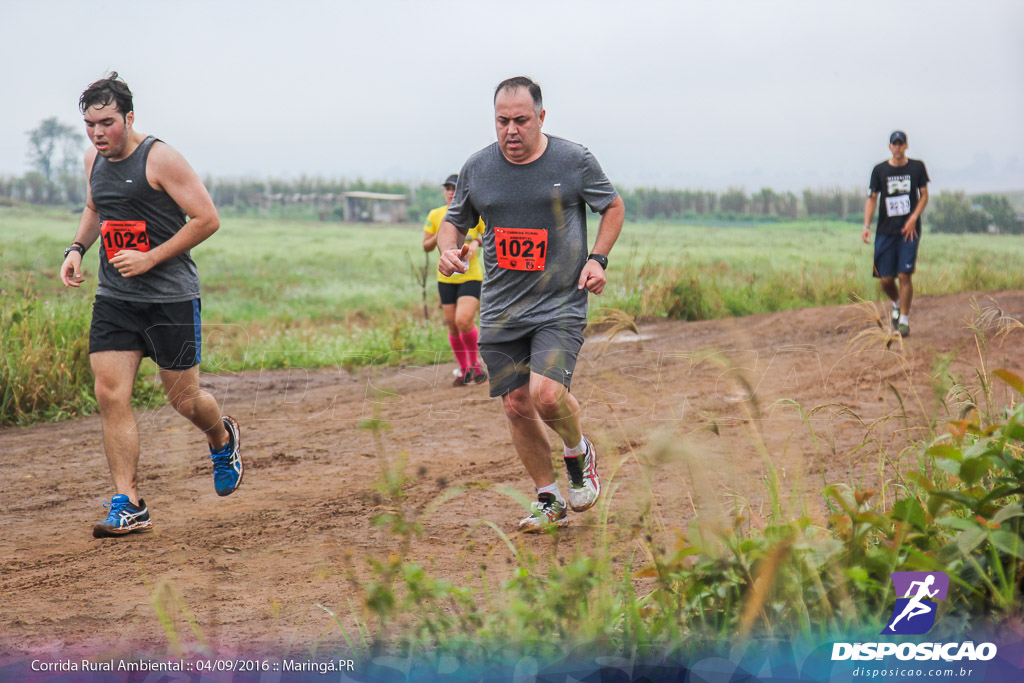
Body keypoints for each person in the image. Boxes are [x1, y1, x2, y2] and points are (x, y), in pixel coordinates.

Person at [58, 72, 243, 538]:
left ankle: (221, 436)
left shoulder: (160, 159)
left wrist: (152, 257)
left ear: (129, 117)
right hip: (117, 298)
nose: (98, 133)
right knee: (110, 393)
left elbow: (208, 219)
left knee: (183, 399)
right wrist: (77, 249)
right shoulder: (92, 161)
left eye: (106, 122)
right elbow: (96, 208)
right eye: (89, 124)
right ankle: (130, 501)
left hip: (170, 298)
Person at [437, 76, 625, 532]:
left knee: (545, 394)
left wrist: (597, 259)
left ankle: (578, 454)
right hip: (502, 307)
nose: (511, 131)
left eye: (521, 120)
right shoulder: (477, 168)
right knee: (516, 405)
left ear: (541, 118)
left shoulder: (573, 160)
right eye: (502, 121)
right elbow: (454, 223)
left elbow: (613, 207)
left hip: (559, 303)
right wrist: (449, 250)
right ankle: (549, 498)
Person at [862, 130, 930, 337]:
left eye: (901, 144)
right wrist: (866, 226)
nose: (898, 147)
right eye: (895, 144)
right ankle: (897, 303)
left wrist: (913, 219)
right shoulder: (879, 170)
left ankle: (904, 321)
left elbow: (924, 195)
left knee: (904, 275)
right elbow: (872, 198)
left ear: (906, 146)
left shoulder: (916, 167)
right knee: (886, 279)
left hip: (908, 231)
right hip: (885, 231)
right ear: (890, 147)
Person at [422, 174, 487, 386]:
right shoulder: (435, 214)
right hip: (446, 277)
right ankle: (464, 370)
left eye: (454, 188)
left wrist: (477, 242)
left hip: (471, 275)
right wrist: (442, 232)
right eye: (447, 188)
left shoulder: (474, 210)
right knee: (453, 325)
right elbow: (426, 246)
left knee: (464, 320)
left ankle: (475, 364)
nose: (451, 192)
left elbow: (488, 235)